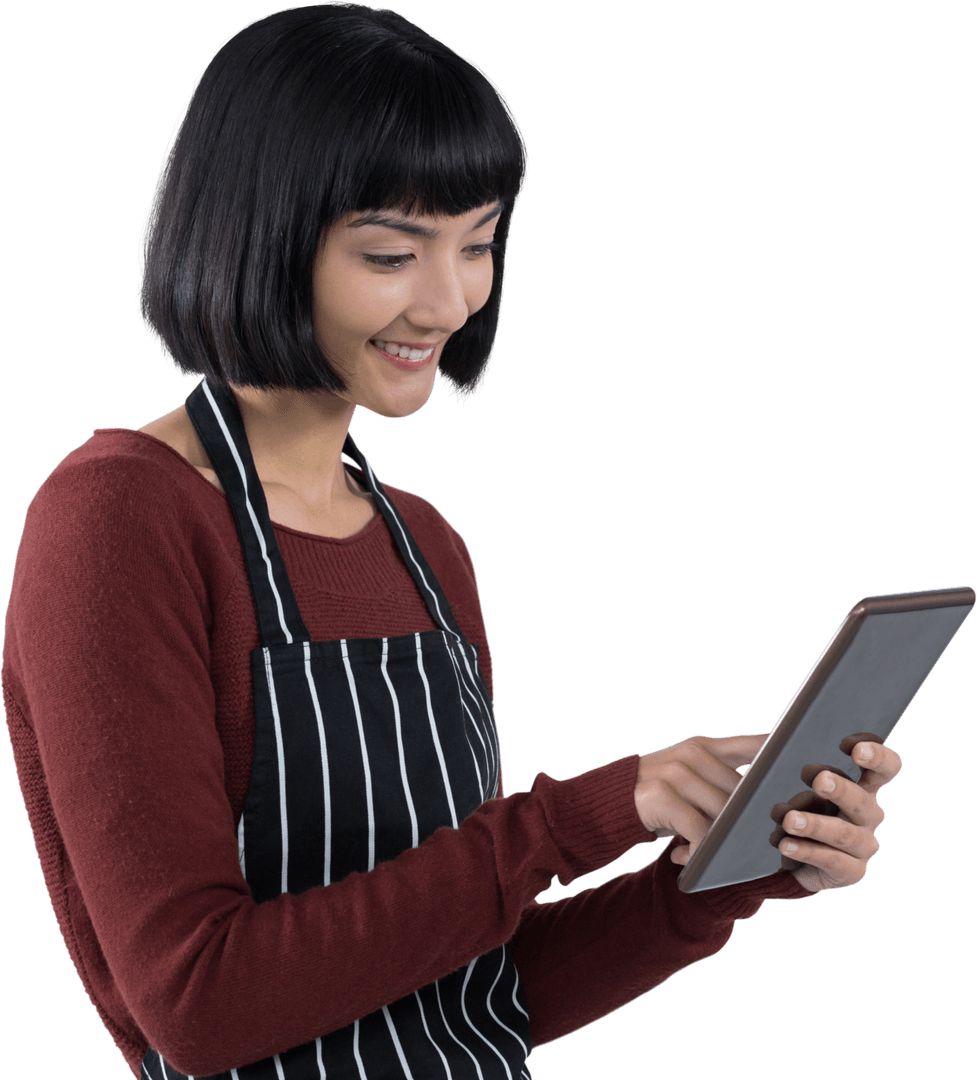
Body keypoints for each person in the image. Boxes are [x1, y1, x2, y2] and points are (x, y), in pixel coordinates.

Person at [1, 5, 901, 1079]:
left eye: (477, 242)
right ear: (257, 235)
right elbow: (197, 1005)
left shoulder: (423, 545)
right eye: (391, 251)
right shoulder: (117, 521)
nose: (449, 299)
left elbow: (474, 994)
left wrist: (721, 874)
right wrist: (575, 821)